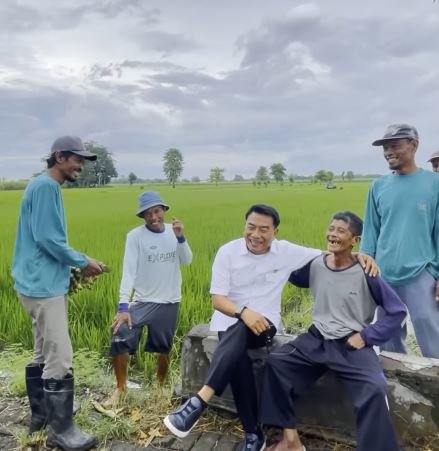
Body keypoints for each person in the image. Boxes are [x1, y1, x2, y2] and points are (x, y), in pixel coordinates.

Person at [163, 205, 378, 451]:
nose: (256, 234)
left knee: (242, 334)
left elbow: (329, 254)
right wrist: (244, 312)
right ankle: (254, 435)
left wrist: (360, 256)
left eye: (264, 229)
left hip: (265, 327)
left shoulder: (285, 251)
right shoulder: (227, 252)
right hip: (231, 324)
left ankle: (199, 402)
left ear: (275, 232)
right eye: (251, 227)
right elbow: (218, 300)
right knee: (239, 356)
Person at [260, 211, 406, 451]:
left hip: (351, 344)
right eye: (331, 228)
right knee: (276, 364)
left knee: (375, 389)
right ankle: (287, 439)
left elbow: (397, 312)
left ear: (354, 240)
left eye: (340, 231)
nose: (332, 234)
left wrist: (366, 336)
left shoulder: (366, 272)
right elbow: (285, 268)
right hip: (316, 339)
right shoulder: (316, 264)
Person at [12, 136, 103, 451]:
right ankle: (61, 430)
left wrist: (68, 270)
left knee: (42, 352)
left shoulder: (38, 185)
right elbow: (49, 239)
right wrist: (82, 261)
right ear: (60, 157)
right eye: (77, 159)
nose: (80, 166)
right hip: (43, 287)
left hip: (35, 282)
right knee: (60, 358)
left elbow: (42, 239)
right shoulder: (47, 187)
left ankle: (41, 415)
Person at [103, 191, 193, 408]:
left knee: (163, 347)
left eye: (157, 211)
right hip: (143, 300)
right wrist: (123, 306)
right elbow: (129, 271)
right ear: (142, 216)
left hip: (170, 301)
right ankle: (120, 388)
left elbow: (186, 260)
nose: (153, 217)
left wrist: (181, 238)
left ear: (164, 210)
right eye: (148, 214)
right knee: (121, 333)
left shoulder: (174, 231)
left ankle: (160, 387)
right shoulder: (135, 236)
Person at [361, 124, 439, 358]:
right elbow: (371, 231)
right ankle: (396, 383)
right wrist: (366, 268)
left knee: (428, 324)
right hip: (382, 273)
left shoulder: (434, 184)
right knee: (388, 332)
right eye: (385, 147)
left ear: (413, 145)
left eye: (394, 145)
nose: (388, 152)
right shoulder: (378, 186)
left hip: (421, 270)